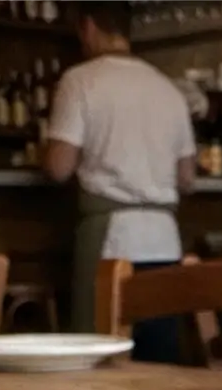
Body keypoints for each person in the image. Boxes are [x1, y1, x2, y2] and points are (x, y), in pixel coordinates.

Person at [46, 0, 196, 352]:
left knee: (101, 358)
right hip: (164, 241)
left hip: (113, 243)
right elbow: (187, 178)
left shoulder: (79, 81)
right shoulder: (169, 90)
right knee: (159, 360)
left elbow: (58, 167)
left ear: (89, 28)